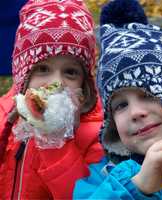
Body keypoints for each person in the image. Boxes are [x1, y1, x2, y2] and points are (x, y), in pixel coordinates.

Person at [73, 0, 162, 199]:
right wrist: (135, 187)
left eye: (148, 95)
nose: (135, 112)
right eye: (121, 105)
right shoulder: (101, 178)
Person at [0, 0, 104, 199]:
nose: (56, 82)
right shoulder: (4, 112)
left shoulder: (96, 135)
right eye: (43, 69)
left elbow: (80, 195)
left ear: (85, 84)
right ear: (24, 76)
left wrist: (57, 142)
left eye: (70, 72)